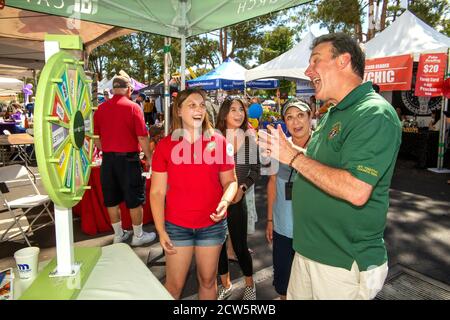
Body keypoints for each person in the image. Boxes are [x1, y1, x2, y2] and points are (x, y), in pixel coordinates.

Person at [258, 33, 402, 300]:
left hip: (341, 262)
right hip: (308, 252)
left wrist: (292, 156)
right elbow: (321, 166)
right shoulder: (332, 113)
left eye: (315, 61)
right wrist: (287, 151)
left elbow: (356, 189)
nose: (307, 70)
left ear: (343, 61)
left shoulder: (373, 113)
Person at [150, 88, 237, 300]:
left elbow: (231, 182)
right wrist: (161, 231)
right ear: (178, 111)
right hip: (177, 227)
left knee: (207, 280)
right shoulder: (165, 145)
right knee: (174, 286)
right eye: (192, 105)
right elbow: (157, 192)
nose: (199, 109)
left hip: (212, 226)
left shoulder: (219, 142)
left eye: (201, 105)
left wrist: (225, 201)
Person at [93, 75, 156, 247]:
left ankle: (118, 234)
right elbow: (142, 137)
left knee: (111, 199)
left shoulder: (101, 109)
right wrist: (150, 158)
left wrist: (106, 149)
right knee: (134, 199)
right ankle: (138, 235)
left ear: (113, 90)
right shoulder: (133, 107)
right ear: (129, 89)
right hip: (128, 160)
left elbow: (96, 138)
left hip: (108, 160)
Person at [266, 100, 312, 300]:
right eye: (290, 117)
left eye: (300, 115)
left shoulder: (321, 147)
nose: (296, 121)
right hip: (283, 226)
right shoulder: (279, 146)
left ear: (310, 117)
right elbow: (272, 183)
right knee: (284, 282)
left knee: (309, 284)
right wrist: (269, 220)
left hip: (311, 230)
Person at [215, 97, 260, 300]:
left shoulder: (249, 138)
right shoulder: (214, 138)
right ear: (224, 113)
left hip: (237, 200)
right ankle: (225, 284)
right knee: (218, 246)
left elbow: (256, 171)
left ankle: (250, 286)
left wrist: (242, 188)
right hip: (215, 201)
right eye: (233, 109)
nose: (238, 113)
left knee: (240, 246)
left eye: (241, 109)